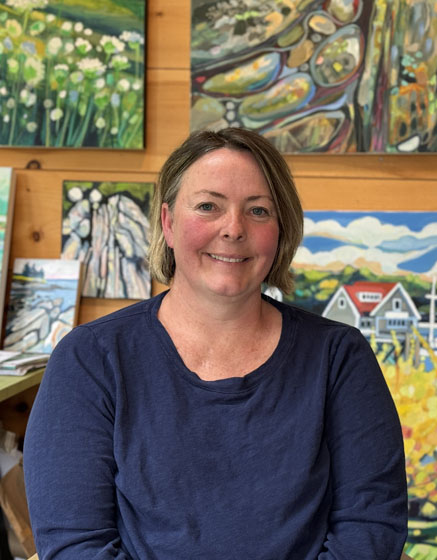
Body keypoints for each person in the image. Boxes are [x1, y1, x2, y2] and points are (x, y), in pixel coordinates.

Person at [23, 127, 408, 559]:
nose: (234, 229)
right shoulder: (90, 358)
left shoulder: (339, 357)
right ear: (168, 223)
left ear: (281, 230)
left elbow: (371, 526)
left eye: (259, 211)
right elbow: (76, 545)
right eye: (208, 206)